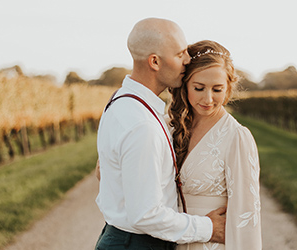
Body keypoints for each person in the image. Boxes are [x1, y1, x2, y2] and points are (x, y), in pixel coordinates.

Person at [94, 18, 226, 250]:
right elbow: (146, 215)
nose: (188, 61)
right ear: (154, 61)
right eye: (180, 54)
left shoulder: (122, 100)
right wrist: (209, 228)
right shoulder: (142, 125)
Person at [168, 40, 262, 249]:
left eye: (217, 89)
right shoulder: (170, 126)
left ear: (228, 89)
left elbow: (247, 216)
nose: (208, 99)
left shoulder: (236, 137)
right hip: (167, 239)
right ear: (185, 85)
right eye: (199, 88)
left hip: (209, 244)